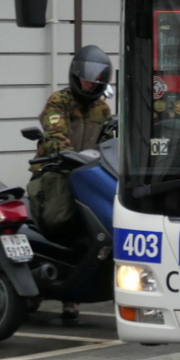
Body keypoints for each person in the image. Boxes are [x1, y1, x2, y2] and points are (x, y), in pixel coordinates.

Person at [28, 45, 113, 321]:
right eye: (88, 79)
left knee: (88, 232)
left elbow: (109, 140)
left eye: (97, 80)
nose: (91, 84)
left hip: (89, 176)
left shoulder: (102, 107)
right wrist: (67, 153)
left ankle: (74, 292)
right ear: (76, 76)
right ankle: (39, 283)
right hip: (56, 173)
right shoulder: (59, 102)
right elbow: (56, 134)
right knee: (58, 222)